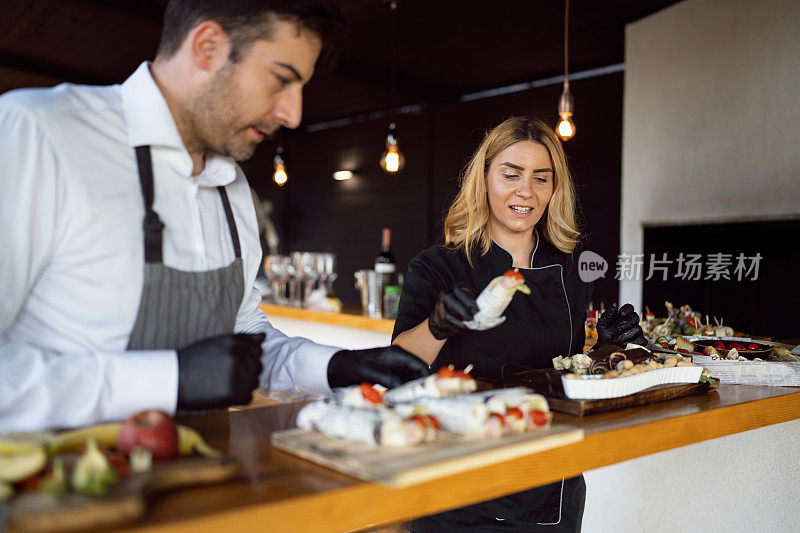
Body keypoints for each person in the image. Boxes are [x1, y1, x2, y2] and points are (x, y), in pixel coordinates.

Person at [0, 0, 428, 432]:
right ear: (207, 47)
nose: (293, 114)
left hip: (206, 480)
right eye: (281, 80)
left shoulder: (232, 186)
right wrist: (170, 380)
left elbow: (243, 339)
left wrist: (333, 366)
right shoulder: (40, 133)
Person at [392, 117, 646, 532]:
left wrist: (611, 353)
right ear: (485, 178)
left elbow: (568, 370)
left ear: (554, 188)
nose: (525, 191)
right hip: (459, 485)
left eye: (540, 179)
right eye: (511, 175)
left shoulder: (569, 268)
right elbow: (397, 365)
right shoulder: (439, 266)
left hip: (550, 485)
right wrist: (437, 326)